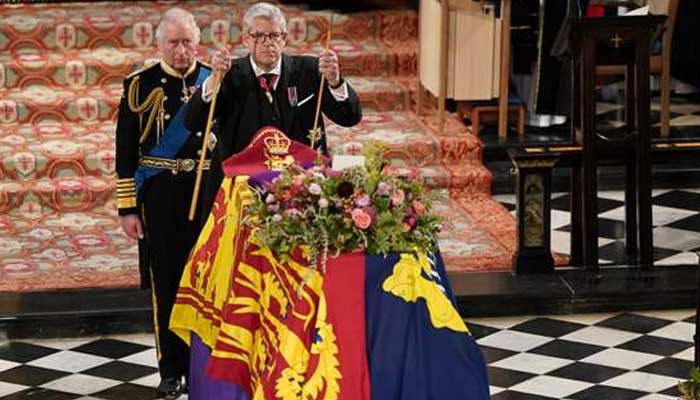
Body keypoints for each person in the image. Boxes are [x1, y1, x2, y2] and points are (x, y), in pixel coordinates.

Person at [114, 8, 212, 399]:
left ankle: (205, 368)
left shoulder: (216, 81)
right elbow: (125, 151)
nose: (181, 50)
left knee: (208, 281)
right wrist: (127, 208)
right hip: (161, 196)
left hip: (207, 191)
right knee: (167, 281)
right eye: (173, 42)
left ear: (198, 42)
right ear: (159, 45)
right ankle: (171, 370)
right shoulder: (140, 85)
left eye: (188, 41)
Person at [185, 1, 362, 217]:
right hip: (240, 188)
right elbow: (191, 122)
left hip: (300, 186)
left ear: (284, 38)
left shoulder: (309, 71)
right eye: (259, 36)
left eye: (274, 36)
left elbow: (350, 118)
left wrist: (335, 81)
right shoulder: (227, 75)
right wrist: (213, 80)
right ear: (246, 40)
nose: (267, 43)